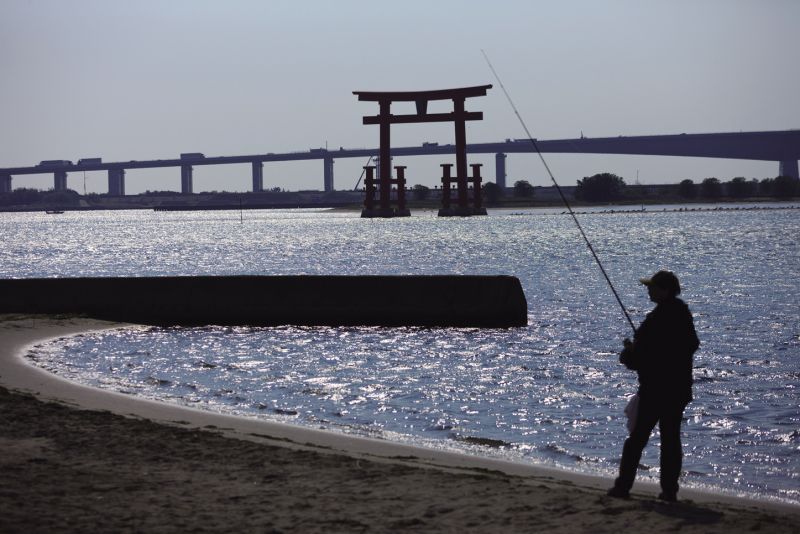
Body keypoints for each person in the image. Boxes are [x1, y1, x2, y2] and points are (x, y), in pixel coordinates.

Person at [607, 270, 700, 502]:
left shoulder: (657, 319)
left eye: (652, 287)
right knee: (670, 441)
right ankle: (669, 491)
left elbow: (640, 358)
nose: (648, 290)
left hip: (655, 390)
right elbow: (689, 346)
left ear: (665, 290)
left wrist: (629, 352)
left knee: (636, 440)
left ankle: (623, 487)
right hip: (678, 391)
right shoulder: (682, 314)